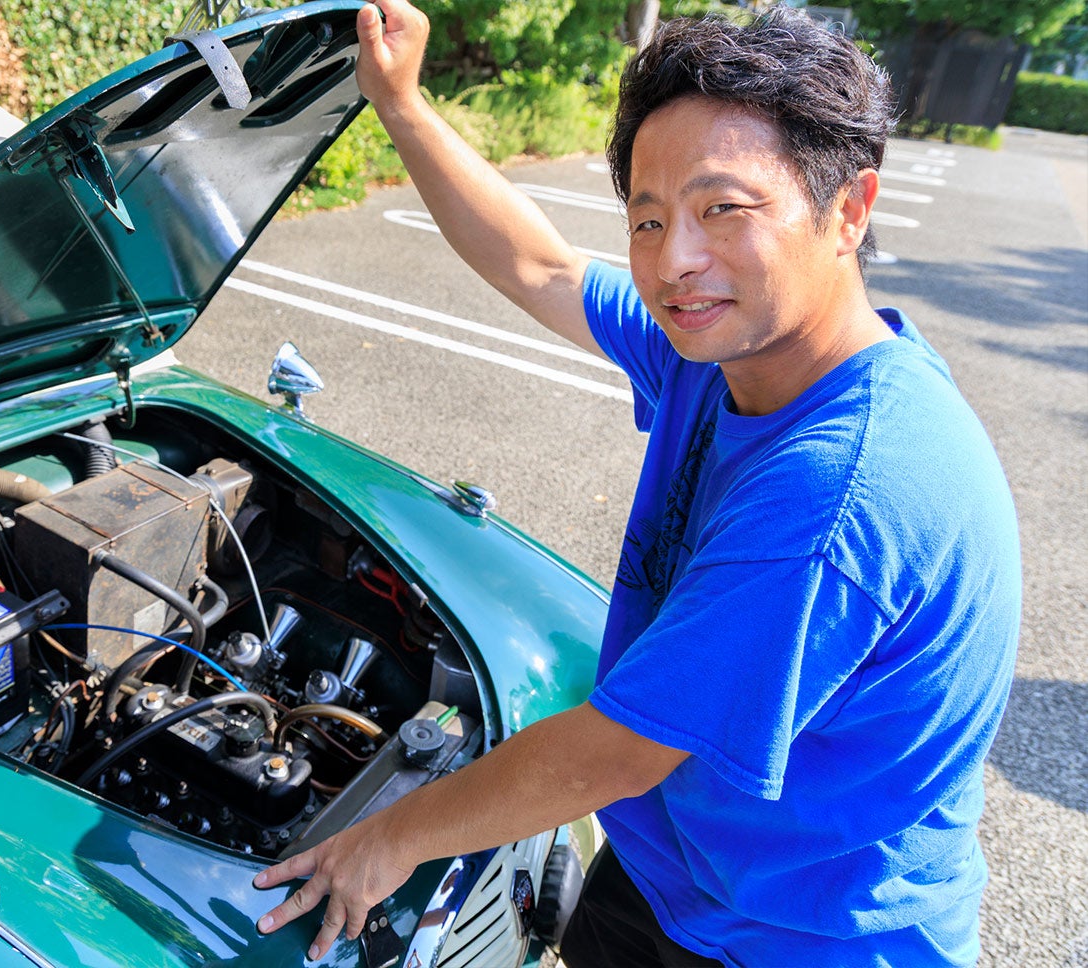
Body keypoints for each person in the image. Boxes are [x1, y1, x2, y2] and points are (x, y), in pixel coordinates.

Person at [252, 2, 1022, 965]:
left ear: (849, 210)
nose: (675, 261)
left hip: (803, 938)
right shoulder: (724, 349)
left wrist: (384, 840)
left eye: (723, 210)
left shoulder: (841, 492)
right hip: (682, 871)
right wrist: (400, 105)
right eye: (648, 219)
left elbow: (615, 749)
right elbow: (537, 264)